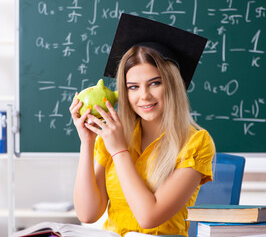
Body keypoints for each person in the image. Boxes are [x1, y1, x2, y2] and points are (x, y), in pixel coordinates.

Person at [69, 14, 215, 237]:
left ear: (173, 85)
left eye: (155, 83)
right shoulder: (114, 135)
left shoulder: (196, 142)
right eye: (133, 87)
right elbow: (88, 214)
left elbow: (149, 217)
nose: (144, 96)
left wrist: (119, 151)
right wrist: (87, 143)